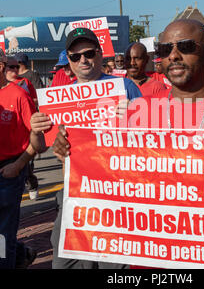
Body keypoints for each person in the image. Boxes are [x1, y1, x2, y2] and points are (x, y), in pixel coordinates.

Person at [51, 20, 204, 269]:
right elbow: (104, 175)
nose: (174, 56)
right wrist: (70, 149)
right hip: (150, 261)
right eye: (165, 49)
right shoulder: (138, 112)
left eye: (186, 46)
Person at [30, 27, 142, 269]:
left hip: (117, 196)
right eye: (75, 56)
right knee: (64, 264)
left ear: (101, 55)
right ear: (68, 60)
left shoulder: (125, 87)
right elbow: (39, 147)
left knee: (112, 267)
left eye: (89, 53)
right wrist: (35, 130)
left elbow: (152, 142)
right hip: (74, 195)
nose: (83, 60)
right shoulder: (58, 98)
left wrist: (136, 118)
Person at [0, 50, 37, 269]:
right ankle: (22, 254)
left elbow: (38, 141)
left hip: (9, 173)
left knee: (3, 236)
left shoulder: (18, 95)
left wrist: (18, 166)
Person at [5, 57, 39, 200]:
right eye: (11, 67)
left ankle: (31, 184)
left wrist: (25, 102)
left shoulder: (25, 83)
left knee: (27, 166)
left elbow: (36, 99)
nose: (14, 70)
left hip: (23, 135)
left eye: (16, 67)